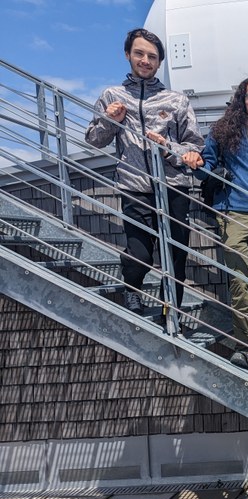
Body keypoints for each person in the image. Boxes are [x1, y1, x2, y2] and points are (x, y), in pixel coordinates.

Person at [85, 28, 203, 315]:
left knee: (175, 255)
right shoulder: (113, 95)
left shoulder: (175, 100)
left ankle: (170, 311)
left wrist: (168, 146)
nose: (145, 60)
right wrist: (109, 120)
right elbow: (94, 140)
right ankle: (132, 289)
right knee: (140, 255)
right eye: (139, 53)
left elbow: (195, 146)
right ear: (128, 55)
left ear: (160, 61)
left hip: (173, 186)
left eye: (152, 56)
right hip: (134, 186)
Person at [182, 76, 248, 369]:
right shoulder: (223, 132)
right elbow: (205, 171)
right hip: (233, 215)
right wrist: (197, 164)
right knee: (241, 284)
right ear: (242, 100)